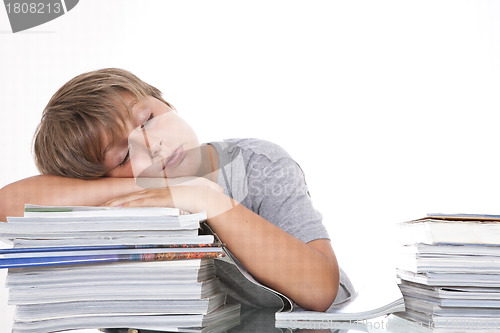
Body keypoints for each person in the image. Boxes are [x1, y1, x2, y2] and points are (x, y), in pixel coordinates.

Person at [0, 68, 353, 312]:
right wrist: (118, 186)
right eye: (123, 155)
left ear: (164, 100)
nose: (152, 145)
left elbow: (320, 291)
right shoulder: (128, 195)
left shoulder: (258, 163)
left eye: (148, 119)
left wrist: (202, 197)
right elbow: (6, 204)